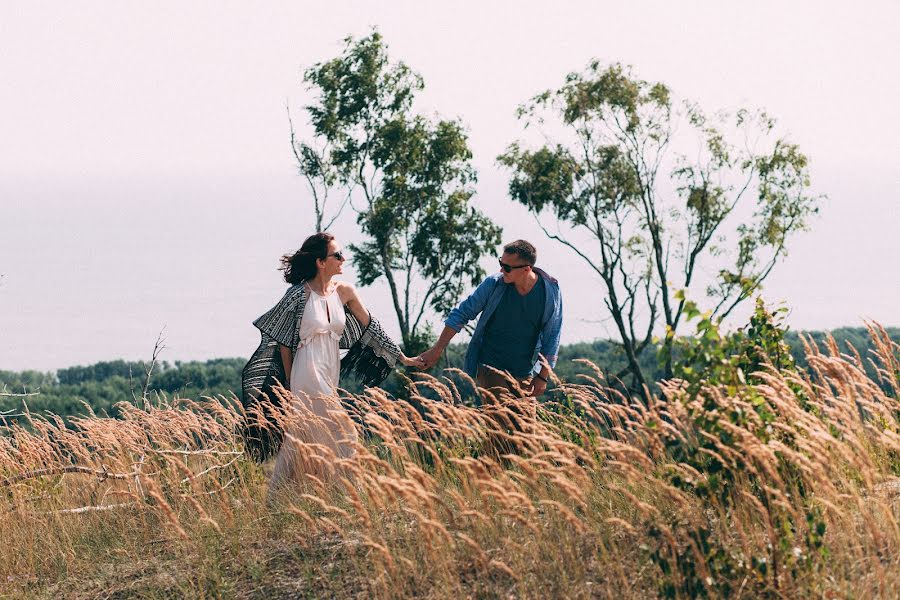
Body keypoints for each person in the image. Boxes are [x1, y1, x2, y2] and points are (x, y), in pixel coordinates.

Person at [241, 232, 422, 487]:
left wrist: (401, 356)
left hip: (329, 369)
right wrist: (292, 387)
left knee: (301, 437)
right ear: (320, 262)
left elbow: (371, 326)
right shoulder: (298, 295)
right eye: (337, 255)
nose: (342, 258)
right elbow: (283, 343)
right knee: (344, 430)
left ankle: (281, 497)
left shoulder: (345, 292)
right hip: (307, 370)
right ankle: (349, 492)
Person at [418, 239, 563, 399]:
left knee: (527, 424)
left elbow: (552, 335)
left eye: (507, 267)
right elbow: (461, 314)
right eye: (501, 263)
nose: (501, 270)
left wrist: (542, 376)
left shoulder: (549, 292)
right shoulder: (493, 284)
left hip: (523, 370)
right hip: (491, 367)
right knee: (500, 420)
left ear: (526, 269)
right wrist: (436, 349)